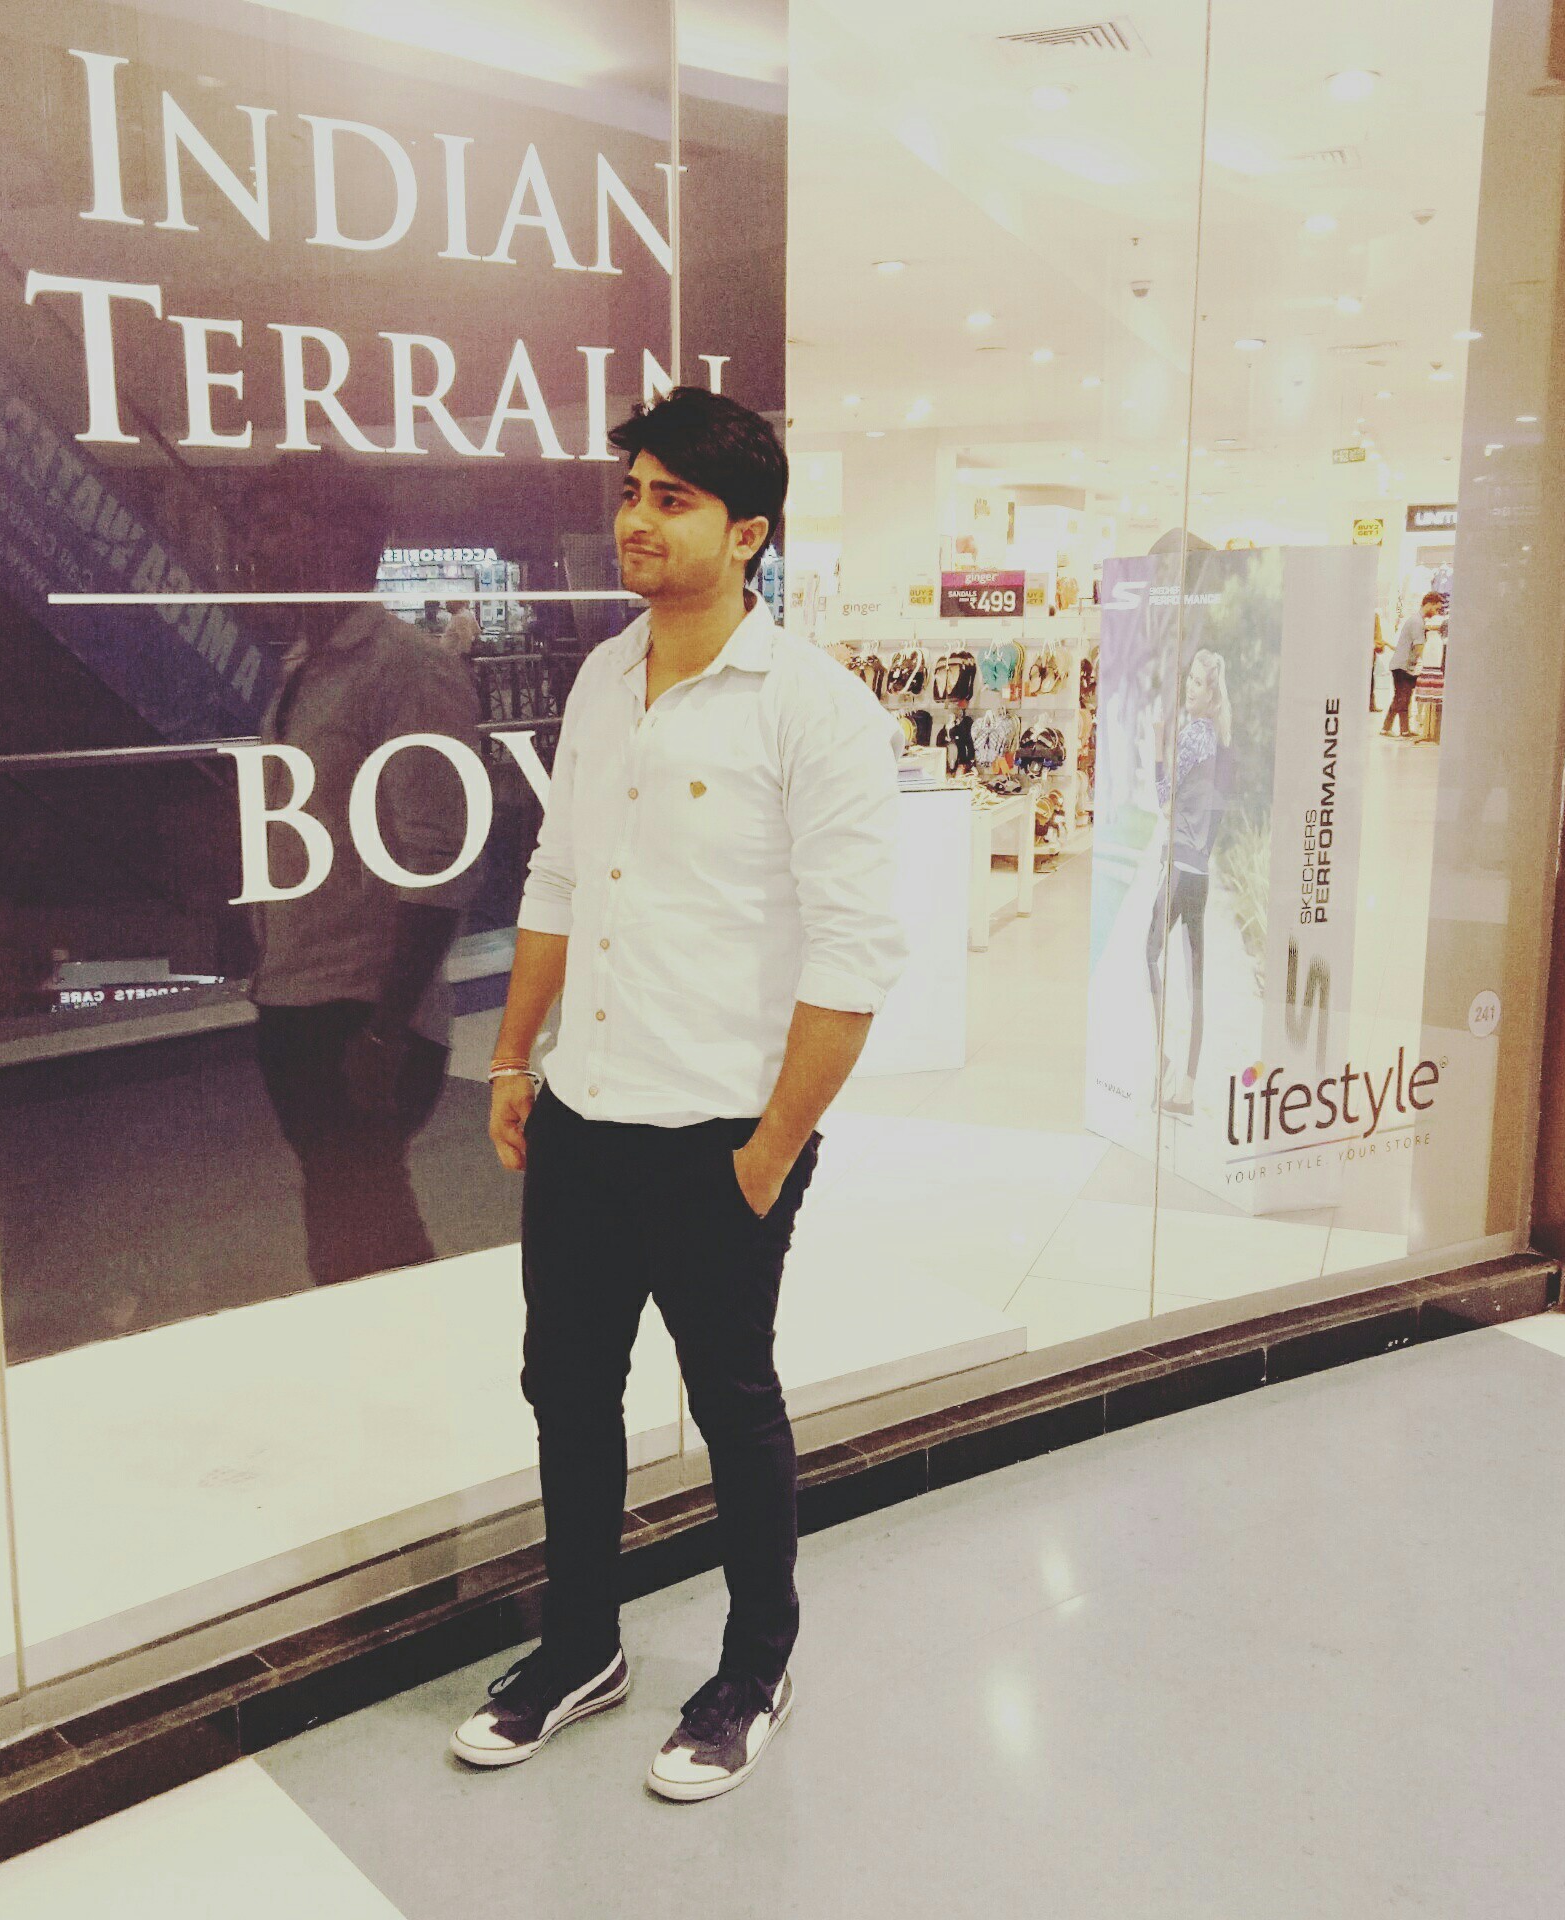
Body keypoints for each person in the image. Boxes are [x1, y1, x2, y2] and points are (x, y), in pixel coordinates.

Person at [449, 387, 908, 1801]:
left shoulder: (815, 711)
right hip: (584, 1116)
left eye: (673, 499)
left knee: (731, 1402)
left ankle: (754, 1666)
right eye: (631, 492)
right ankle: (581, 1645)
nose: (636, 520)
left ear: (749, 533)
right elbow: (559, 880)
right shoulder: (604, 678)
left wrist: (770, 1152)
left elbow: (854, 955)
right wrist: (515, 1058)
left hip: (720, 1137)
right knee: (567, 1389)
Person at [244, 477, 484, 1288]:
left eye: (278, 525)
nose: (257, 548)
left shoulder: (407, 670)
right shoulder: (302, 669)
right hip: (296, 993)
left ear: (344, 543)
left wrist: (386, 1030)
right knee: (344, 1222)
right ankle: (387, 1359)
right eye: (256, 528)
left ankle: (411, 1362)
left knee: (364, 1225)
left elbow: (439, 859)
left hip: (361, 1009)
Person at [1147, 648, 1232, 1118]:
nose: (1190, 689)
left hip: (1179, 867)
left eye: (1198, 684)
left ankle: (1162, 1057)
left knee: (1149, 953)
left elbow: (1165, 798)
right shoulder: (1219, 740)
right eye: (1191, 680)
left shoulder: (1193, 736)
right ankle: (1187, 1092)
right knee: (1195, 981)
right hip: (1200, 871)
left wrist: (1159, 744)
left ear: (1211, 694)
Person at [1383, 592, 1444, 738]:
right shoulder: (1417, 622)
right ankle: (1393, 729)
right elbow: (1419, 647)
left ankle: (1398, 729)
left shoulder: (1417, 620)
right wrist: (1427, 663)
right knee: (1402, 698)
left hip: (1403, 665)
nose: (1436, 613)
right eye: (1436, 609)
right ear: (1429, 604)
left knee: (1402, 698)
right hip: (1403, 666)